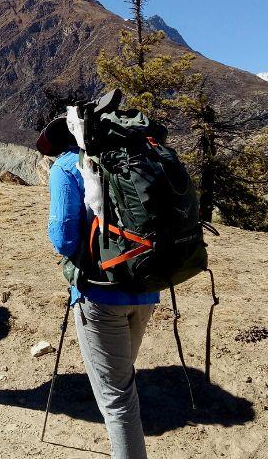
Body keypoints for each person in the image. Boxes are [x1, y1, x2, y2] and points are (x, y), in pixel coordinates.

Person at [46, 118, 159, 459]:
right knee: (120, 382)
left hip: (99, 293)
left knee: (117, 401)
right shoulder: (138, 160)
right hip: (147, 284)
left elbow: (64, 238)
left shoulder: (67, 167)